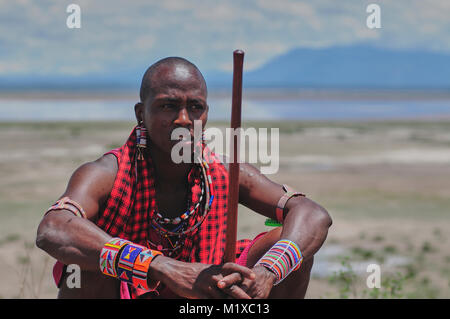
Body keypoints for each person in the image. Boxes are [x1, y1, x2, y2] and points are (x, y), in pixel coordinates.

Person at [36, 57, 332, 299]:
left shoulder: (226, 173)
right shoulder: (108, 172)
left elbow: (312, 214)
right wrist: (162, 267)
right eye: (168, 106)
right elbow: (53, 228)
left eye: (195, 107)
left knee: (290, 248)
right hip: (125, 291)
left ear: (206, 115)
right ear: (141, 113)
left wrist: (268, 272)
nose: (183, 119)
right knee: (89, 267)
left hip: (199, 300)